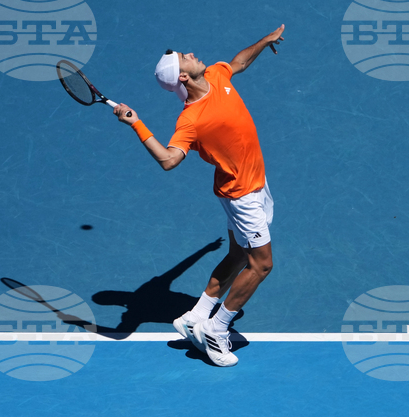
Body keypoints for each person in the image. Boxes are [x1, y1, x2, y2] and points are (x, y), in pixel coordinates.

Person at [113, 25, 285, 367]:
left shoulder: (215, 74)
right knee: (261, 264)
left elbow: (239, 62)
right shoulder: (191, 119)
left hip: (252, 181)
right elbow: (168, 160)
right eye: (184, 58)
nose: (191, 54)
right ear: (183, 77)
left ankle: (195, 316)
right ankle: (216, 330)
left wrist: (264, 41)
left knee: (238, 255)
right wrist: (136, 123)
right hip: (241, 194)